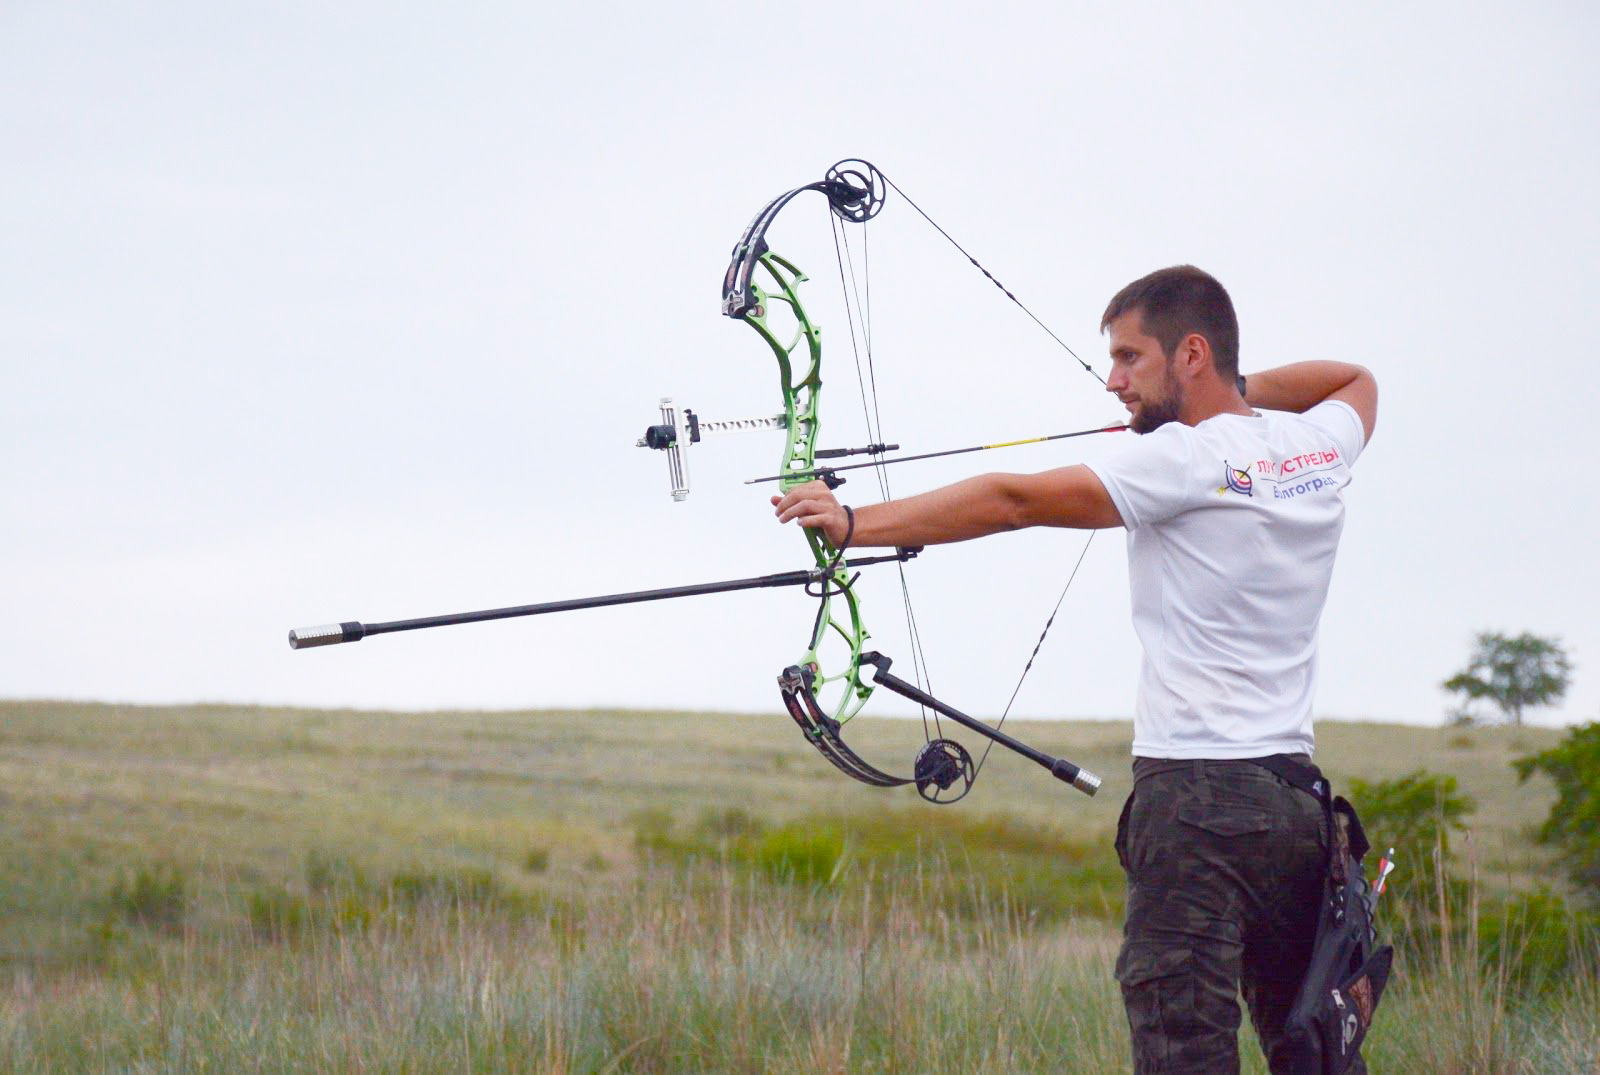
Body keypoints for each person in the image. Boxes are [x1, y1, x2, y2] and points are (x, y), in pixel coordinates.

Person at [772, 265, 1378, 1074]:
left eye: (1132, 359)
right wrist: (1225, 391)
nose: (1114, 379)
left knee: (1182, 1054)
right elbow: (1353, 379)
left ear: (1190, 353)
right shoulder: (1311, 446)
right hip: (1295, 810)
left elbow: (1013, 500)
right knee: (1309, 1054)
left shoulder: (1181, 460)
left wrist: (854, 523)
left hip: (1195, 806)